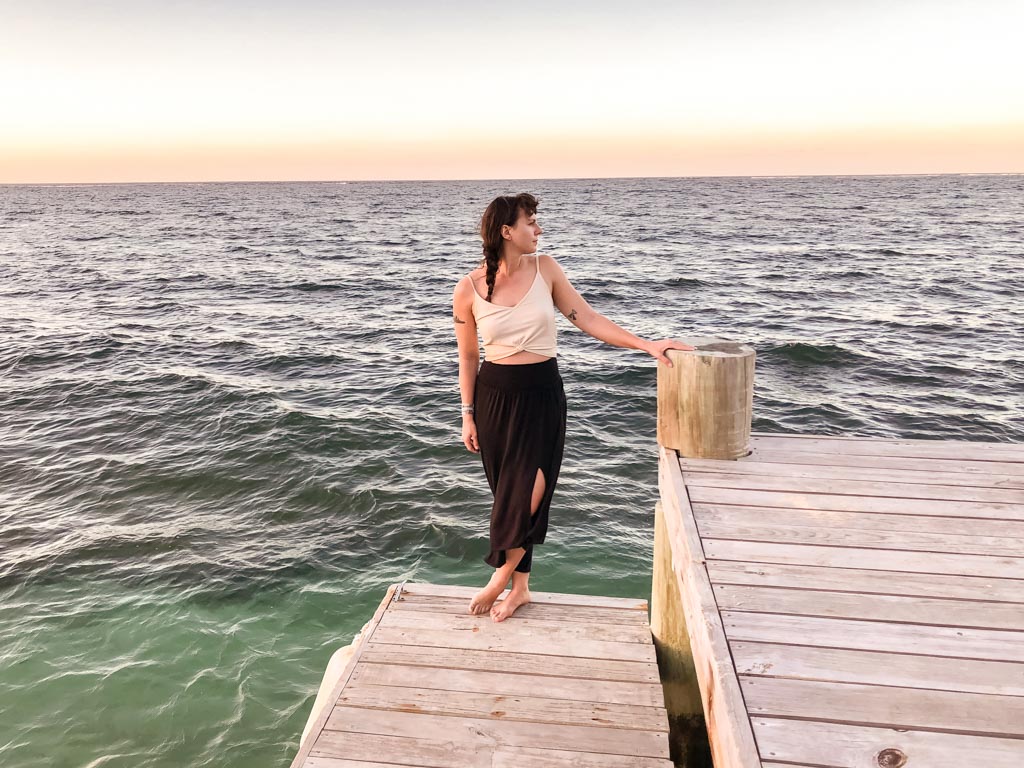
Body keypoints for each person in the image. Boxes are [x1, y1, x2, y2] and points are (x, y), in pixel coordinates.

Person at [451, 193, 693, 622]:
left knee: (529, 491)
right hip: (494, 399)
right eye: (531, 223)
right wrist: (467, 412)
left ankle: (500, 573)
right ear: (507, 231)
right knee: (507, 495)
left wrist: (646, 345)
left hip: (542, 395)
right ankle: (521, 588)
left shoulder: (546, 270)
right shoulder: (468, 289)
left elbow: (588, 319)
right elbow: (468, 357)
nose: (538, 230)